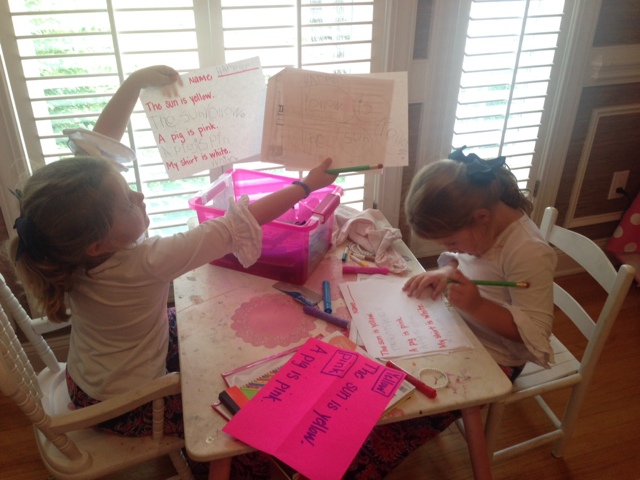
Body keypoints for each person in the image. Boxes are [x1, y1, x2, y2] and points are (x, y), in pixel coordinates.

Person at [4, 65, 336, 477]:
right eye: (127, 202)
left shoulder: (64, 240)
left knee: (208, 324)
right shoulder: (145, 262)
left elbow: (97, 152)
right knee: (231, 411)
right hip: (127, 404)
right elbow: (236, 224)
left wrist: (134, 84)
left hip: (88, 379)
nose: (140, 195)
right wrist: (307, 186)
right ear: (97, 243)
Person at [402, 147, 557, 372]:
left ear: (482, 217)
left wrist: (477, 306)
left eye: (453, 243)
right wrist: (448, 271)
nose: (452, 250)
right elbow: (463, 259)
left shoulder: (528, 251)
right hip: (458, 329)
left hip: (496, 355)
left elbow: (537, 332)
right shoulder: (481, 229)